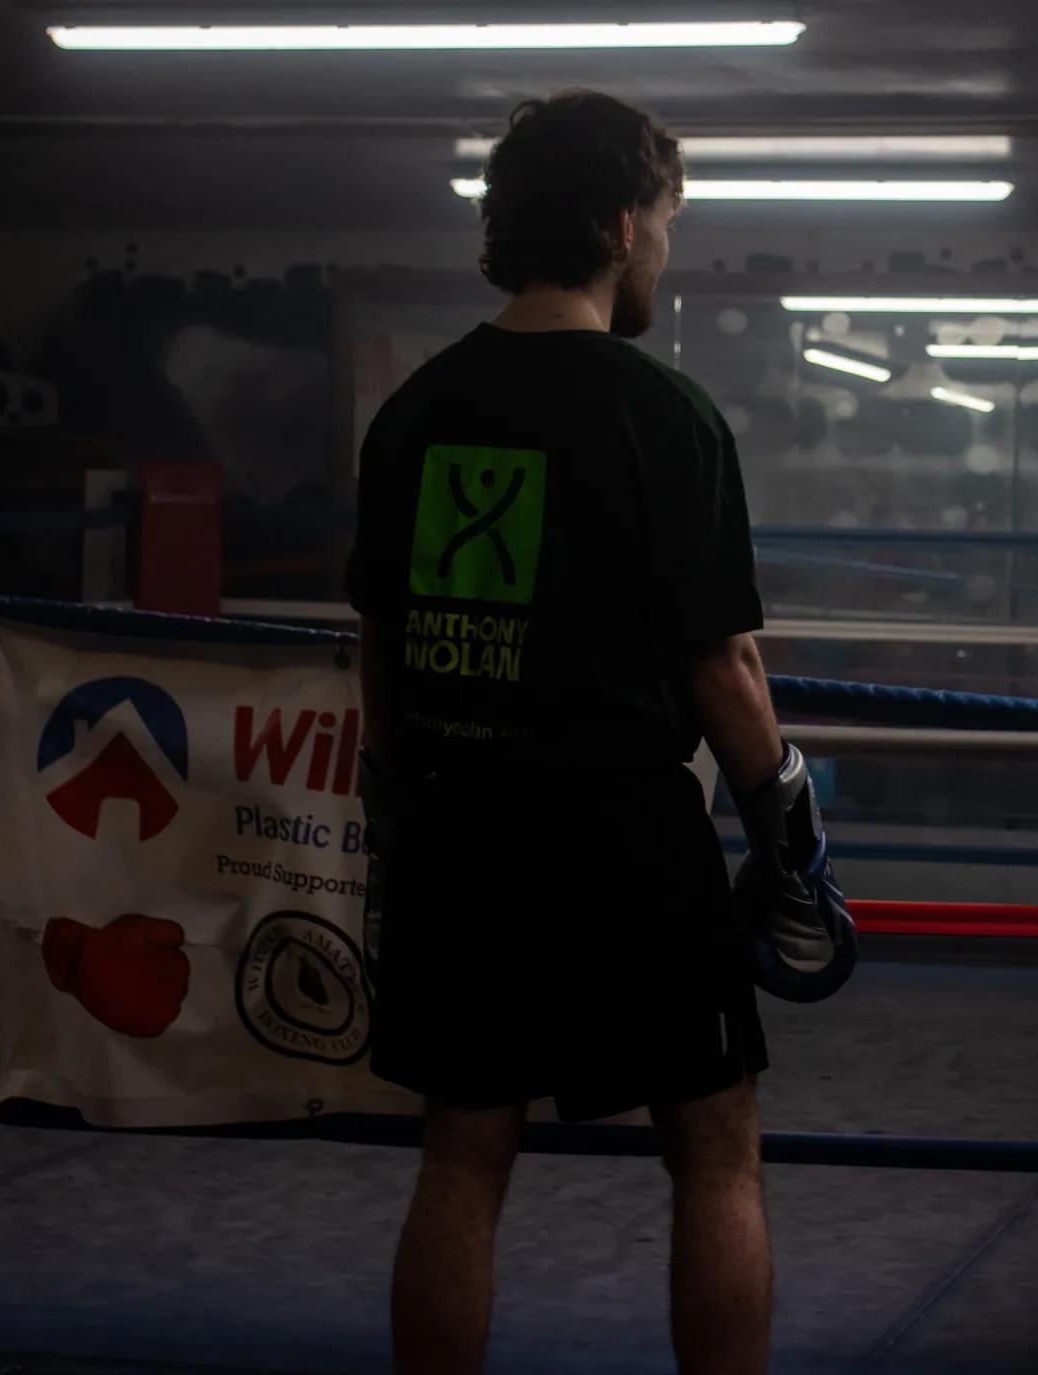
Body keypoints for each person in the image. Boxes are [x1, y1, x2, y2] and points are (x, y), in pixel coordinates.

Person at [346, 91, 852, 1375]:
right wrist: (786, 824)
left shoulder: (414, 412)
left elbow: (380, 652)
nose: (664, 252)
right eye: (667, 223)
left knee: (463, 1150)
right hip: (621, 835)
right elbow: (723, 662)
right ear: (624, 225)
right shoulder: (662, 413)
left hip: (458, 825)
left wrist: (404, 811)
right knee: (713, 1144)